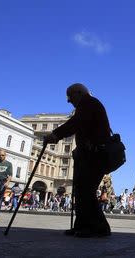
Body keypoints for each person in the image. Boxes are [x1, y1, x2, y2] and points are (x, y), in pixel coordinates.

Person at [44, 83, 112, 238]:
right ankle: (83, 225)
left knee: (86, 191)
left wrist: (55, 134)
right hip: (89, 154)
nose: (68, 100)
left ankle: (98, 228)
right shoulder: (89, 104)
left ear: (79, 93)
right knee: (82, 191)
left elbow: (75, 123)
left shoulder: (88, 103)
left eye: (70, 96)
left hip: (94, 155)